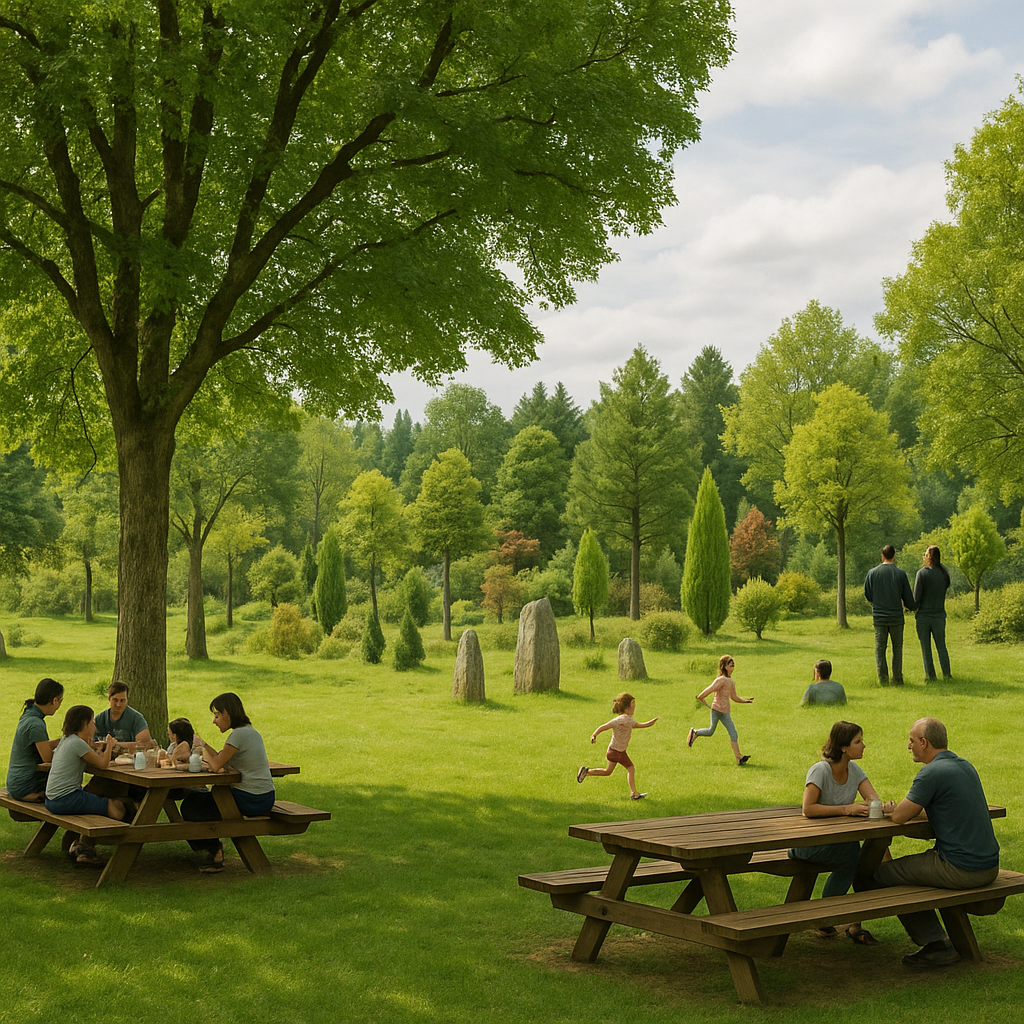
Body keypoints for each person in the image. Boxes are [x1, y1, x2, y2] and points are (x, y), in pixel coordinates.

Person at [862, 718, 999, 969]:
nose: (908, 746)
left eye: (912, 741)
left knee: (876, 876)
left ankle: (937, 944)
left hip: (960, 869)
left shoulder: (931, 772)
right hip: (989, 866)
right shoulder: (964, 766)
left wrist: (891, 810)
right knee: (902, 873)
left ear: (924, 742)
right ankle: (938, 941)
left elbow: (902, 817)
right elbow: (938, 810)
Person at [789, 721, 894, 943]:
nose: (864, 745)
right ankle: (833, 918)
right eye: (858, 741)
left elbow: (872, 797)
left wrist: (883, 806)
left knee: (858, 853)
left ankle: (838, 919)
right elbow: (808, 809)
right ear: (844, 747)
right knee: (854, 854)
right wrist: (847, 809)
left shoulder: (853, 770)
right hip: (805, 845)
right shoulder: (820, 771)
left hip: (837, 844)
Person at [180, 693, 276, 873]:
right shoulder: (250, 732)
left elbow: (216, 765)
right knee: (202, 801)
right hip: (265, 796)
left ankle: (215, 851)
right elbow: (222, 762)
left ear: (227, 714)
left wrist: (202, 746)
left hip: (250, 799)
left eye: (216, 716)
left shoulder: (238, 735)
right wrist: (207, 751)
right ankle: (214, 850)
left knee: (191, 806)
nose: (214, 721)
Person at [45, 705, 127, 866]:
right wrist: (110, 745)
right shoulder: (77, 743)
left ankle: (80, 845)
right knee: (117, 810)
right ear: (84, 724)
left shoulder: (68, 739)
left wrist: (97, 745)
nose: (95, 727)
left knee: (98, 796)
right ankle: (88, 847)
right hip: (66, 798)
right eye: (92, 723)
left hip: (52, 798)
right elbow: (103, 764)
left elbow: (89, 751)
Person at [577, 693, 657, 801]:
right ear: (626, 707)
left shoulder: (619, 719)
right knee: (631, 769)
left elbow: (604, 727)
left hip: (612, 751)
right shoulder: (626, 719)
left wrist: (594, 735)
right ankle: (634, 793)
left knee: (607, 772)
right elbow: (640, 725)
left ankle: (587, 772)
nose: (634, 707)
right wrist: (651, 723)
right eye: (633, 704)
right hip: (619, 753)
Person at [863, 544, 916, 686]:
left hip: (879, 617)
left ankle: (883, 678)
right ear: (894, 555)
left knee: (880, 648)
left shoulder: (872, 573)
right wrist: (913, 606)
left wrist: (877, 602)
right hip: (896, 617)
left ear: (882, 556)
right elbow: (907, 597)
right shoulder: (900, 574)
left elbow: (868, 594)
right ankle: (897, 678)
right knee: (897, 648)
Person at [687, 655, 753, 765]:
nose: (732, 668)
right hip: (717, 711)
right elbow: (706, 692)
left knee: (731, 733)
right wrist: (702, 699)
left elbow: (734, 697)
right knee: (711, 731)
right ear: (724, 667)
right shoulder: (720, 680)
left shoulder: (731, 681)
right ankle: (695, 732)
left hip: (725, 713)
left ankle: (739, 758)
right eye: (730, 666)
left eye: (733, 666)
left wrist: (745, 701)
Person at [6, 678, 64, 802]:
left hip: (15, 783)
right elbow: (47, 758)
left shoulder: (28, 714)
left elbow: (35, 745)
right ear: (55, 700)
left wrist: (60, 742)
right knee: (67, 785)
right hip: (25, 785)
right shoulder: (36, 724)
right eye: (61, 701)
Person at [913, 545, 952, 680]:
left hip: (924, 616)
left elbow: (916, 599)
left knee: (926, 648)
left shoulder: (922, 573)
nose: (924, 556)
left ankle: (930, 676)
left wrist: (907, 605)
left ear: (929, 557)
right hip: (939, 615)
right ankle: (947, 674)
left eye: (925, 554)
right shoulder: (944, 573)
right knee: (941, 646)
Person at [94, 681, 153, 748]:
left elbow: (145, 744)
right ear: (109, 699)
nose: (118, 704)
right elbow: (88, 742)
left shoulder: (136, 718)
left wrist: (118, 745)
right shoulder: (100, 719)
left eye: (122, 701)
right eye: (115, 700)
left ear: (127, 700)